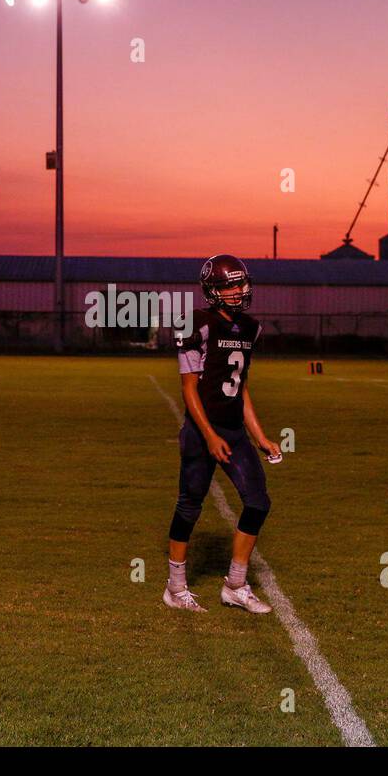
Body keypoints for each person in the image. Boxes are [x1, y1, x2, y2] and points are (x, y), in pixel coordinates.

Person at [164, 253, 280, 615]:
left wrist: (260, 436)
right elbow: (189, 389)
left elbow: (241, 388)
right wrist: (210, 435)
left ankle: (235, 584)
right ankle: (175, 587)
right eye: (231, 285)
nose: (239, 290)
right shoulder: (196, 323)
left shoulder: (250, 327)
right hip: (202, 431)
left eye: (241, 283)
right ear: (213, 291)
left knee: (258, 502)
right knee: (190, 504)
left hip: (233, 431)